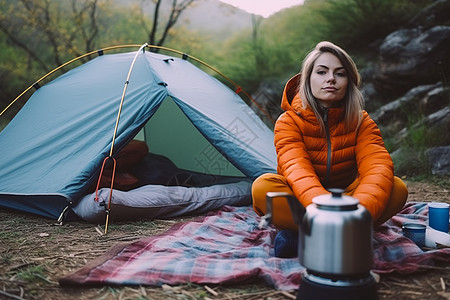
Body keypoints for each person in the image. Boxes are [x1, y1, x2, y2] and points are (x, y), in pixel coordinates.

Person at [252, 41, 408, 256]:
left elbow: (377, 169)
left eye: (340, 73)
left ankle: (307, 237)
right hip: (303, 201)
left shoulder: (361, 122)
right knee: (263, 188)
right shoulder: (288, 122)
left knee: (397, 188)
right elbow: (297, 171)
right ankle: (346, 237)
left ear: (349, 82)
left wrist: (352, 213)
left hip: (349, 202)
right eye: (322, 72)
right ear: (308, 80)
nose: (331, 79)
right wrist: (326, 210)